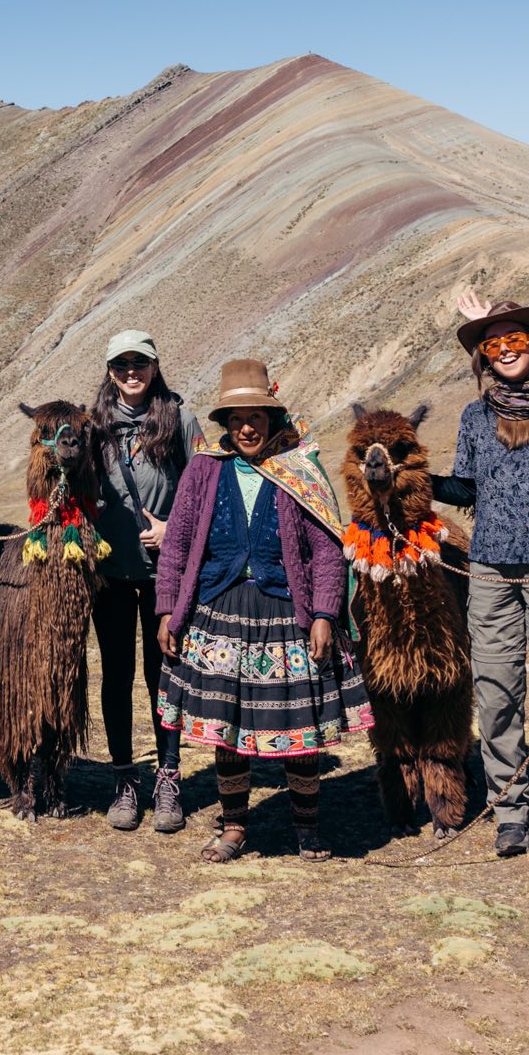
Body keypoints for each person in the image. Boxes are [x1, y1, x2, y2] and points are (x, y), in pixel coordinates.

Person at [155, 358, 371, 861]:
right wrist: (168, 607)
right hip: (220, 608)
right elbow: (179, 544)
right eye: (236, 419)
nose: (246, 428)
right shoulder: (205, 469)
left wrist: (323, 613)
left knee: (298, 724)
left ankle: (307, 826)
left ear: (271, 419)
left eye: (255, 417)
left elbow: (324, 550)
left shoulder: (300, 470)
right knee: (227, 726)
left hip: (285, 610)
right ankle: (233, 827)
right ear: (225, 425)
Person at [433, 289, 529, 857]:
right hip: (488, 575)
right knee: (496, 690)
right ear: (482, 358)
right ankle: (509, 804)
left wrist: (494, 313)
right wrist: (416, 480)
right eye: (493, 344)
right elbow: (465, 488)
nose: (505, 350)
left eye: (515, 340)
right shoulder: (476, 416)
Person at [89, 329, 203, 834]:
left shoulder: (179, 420)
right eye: (121, 364)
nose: (131, 371)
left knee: (165, 676)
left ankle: (168, 779)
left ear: (155, 367)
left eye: (140, 363)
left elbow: (205, 491)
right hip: (111, 573)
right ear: (110, 370)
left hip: (165, 576)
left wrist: (171, 528)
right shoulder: (93, 427)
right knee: (116, 676)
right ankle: (123, 780)